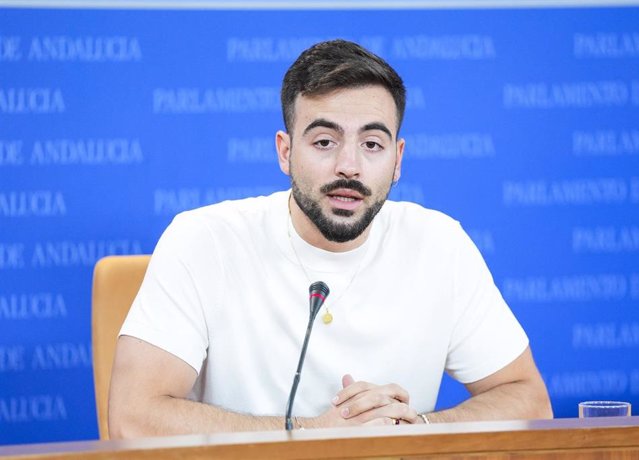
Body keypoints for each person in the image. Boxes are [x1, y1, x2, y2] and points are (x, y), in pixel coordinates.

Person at [109, 39, 552, 438]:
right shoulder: (203, 240)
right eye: (324, 141)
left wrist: (417, 427)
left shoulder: (439, 245)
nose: (349, 166)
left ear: (398, 160)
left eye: (372, 145)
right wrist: (307, 434)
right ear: (285, 151)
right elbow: (133, 416)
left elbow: (529, 400)